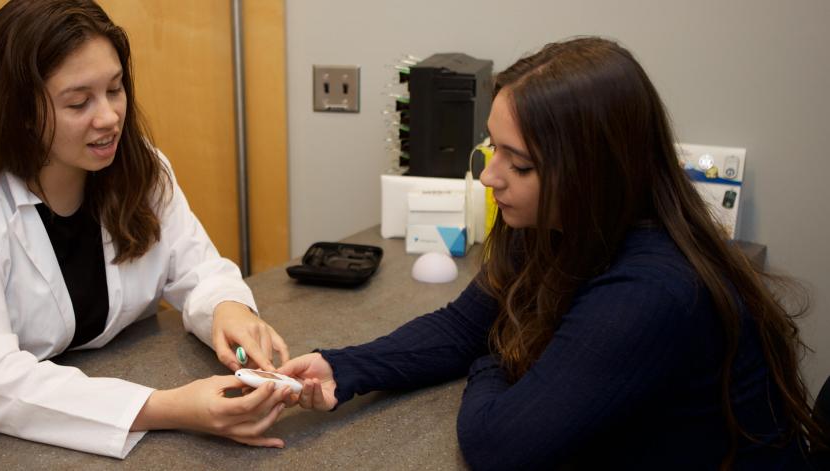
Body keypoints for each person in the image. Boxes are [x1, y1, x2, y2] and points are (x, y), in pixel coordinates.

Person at [279, 37, 827, 469]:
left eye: (519, 164)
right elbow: (462, 325)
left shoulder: (652, 293)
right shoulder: (558, 223)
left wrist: (495, 353)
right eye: (493, 148)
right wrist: (341, 366)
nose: (489, 177)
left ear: (592, 174)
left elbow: (500, 445)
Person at [0, 0, 291, 458]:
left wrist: (229, 310)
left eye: (115, 90)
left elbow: (199, 270)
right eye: (79, 102)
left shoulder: (140, 168)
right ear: (18, 110)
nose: (108, 118)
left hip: (77, 400)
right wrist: (169, 408)